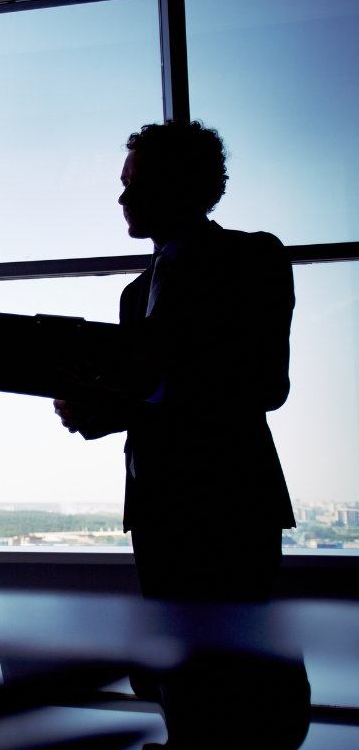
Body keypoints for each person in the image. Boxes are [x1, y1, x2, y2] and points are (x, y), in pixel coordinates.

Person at [52, 121, 295, 603]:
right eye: (124, 185)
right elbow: (143, 398)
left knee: (238, 671)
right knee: (173, 670)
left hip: (230, 507)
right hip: (153, 512)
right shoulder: (135, 293)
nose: (123, 199)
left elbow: (267, 384)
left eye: (137, 184)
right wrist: (91, 412)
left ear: (185, 184)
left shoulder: (251, 258)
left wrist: (153, 381)